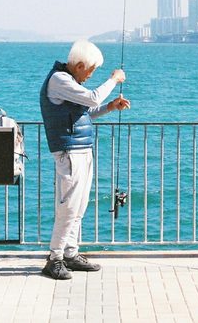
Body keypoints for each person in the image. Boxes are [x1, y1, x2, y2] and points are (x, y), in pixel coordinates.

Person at [39, 39, 130, 280]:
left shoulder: (68, 81)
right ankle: (55, 258)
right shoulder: (59, 80)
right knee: (68, 207)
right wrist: (114, 79)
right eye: (90, 70)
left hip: (81, 150)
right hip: (69, 152)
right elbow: (91, 98)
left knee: (79, 206)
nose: (90, 75)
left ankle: (70, 253)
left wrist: (111, 106)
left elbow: (85, 112)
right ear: (79, 65)